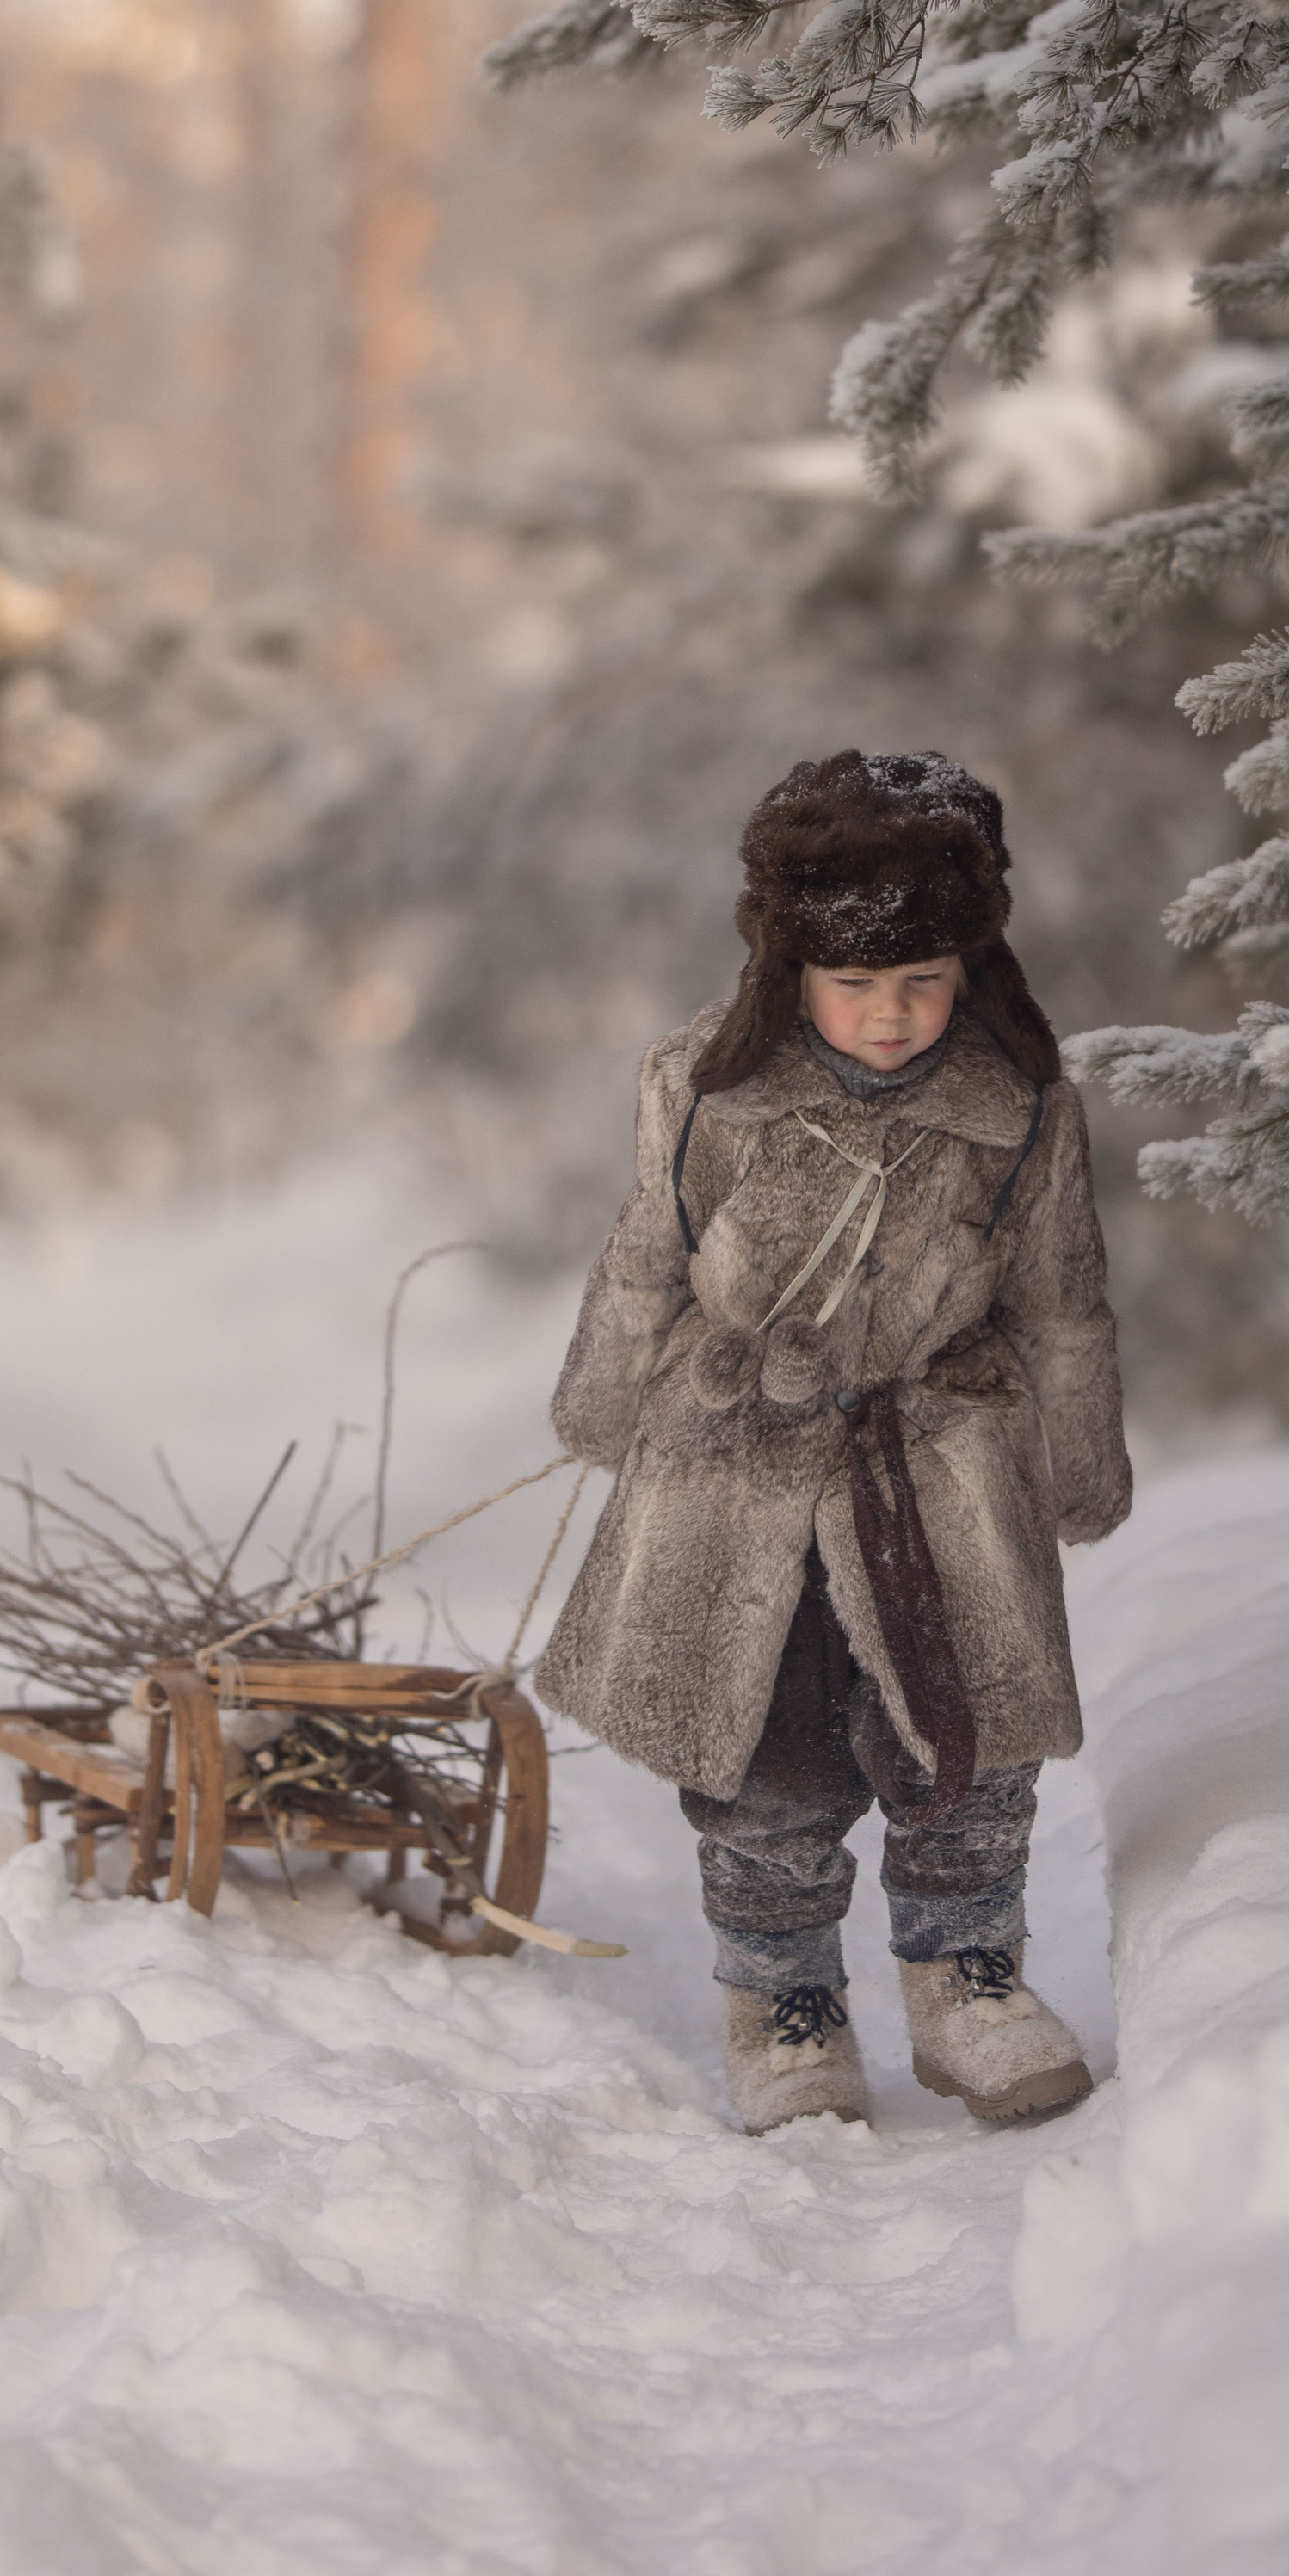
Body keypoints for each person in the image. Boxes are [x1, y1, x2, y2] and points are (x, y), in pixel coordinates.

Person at [537, 750, 1132, 2134]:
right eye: (857, 987)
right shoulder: (701, 1083)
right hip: (735, 1453)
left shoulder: (1021, 1099)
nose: (889, 1017)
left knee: (965, 1736)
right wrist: (605, 1400)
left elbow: (1060, 1295)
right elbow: (649, 1250)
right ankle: (781, 2005)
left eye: (921, 983)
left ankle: (968, 1982)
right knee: (760, 1750)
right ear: (788, 968)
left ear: (970, 966)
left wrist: (1079, 1462)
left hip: (939, 1446)